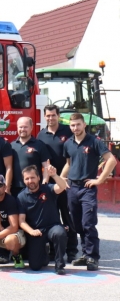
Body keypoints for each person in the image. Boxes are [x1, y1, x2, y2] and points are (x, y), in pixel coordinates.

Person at [62, 112, 117, 271]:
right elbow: (69, 164)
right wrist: (60, 178)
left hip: (87, 189)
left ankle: (93, 257)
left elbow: (112, 160)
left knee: (88, 223)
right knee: (77, 224)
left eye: (78, 124)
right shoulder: (68, 144)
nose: (75, 128)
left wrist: (100, 180)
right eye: (72, 125)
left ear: (84, 124)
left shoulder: (94, 141)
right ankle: (85, 254)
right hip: (72, 188)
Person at [36, 104, 78, 261]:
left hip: (67, 181)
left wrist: (61, 178)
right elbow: (44, 161)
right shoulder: (41, 135)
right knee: (52, 217)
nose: (50, 118)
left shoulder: (68, 131)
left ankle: (72, 251)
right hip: (50, 185)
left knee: (68, 216)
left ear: (58, 115)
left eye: (53, 115)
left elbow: (73, 156)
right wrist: (47, 180)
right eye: (47, 115)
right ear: (44, 117)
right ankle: (54, 250)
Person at [17, 165, 69, 274]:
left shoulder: (48, 189)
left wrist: (54, 175)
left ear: (38, 177)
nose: (30, 181)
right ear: (23, 180)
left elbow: (63, 186)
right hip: (36, 231)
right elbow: (21, 221)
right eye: (27, 178)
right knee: (35, 266)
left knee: (60, 233)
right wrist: (31, 231)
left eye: (32, 177)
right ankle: (44, 254)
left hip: (53, 227)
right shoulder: (21, 197)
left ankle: (59, 265)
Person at [10, 116, 53, 196]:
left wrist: (44, 185)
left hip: (35, 187)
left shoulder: (39, 145)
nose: (22, 129)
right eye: (20, 127)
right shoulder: (12, 146)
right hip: (15, 189)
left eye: (25, 127)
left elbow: (47, 167)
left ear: (31, 127)